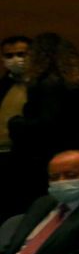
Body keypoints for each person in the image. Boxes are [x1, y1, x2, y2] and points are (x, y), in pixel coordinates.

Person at [5, 33, 79, 218]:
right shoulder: (75, 83)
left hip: (40, 160)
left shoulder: (46, 84)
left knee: (33, 212)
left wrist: (15, 123)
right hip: (72, 151)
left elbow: (46, 126)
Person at [0, 35, 31, 215]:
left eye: (21, 54)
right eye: (9, 56)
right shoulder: (2, 86)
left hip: (28, 158)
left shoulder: (41, 85)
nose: (15, 60)